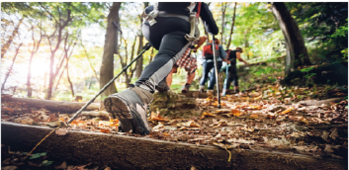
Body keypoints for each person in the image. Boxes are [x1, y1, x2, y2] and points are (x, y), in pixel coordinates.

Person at [103, 2, 219, 135]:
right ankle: (138, 95)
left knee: (163, 55)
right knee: (167, 55)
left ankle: (134, 116)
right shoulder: (199, 4)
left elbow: (149, 9)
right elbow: (213, 30)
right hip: (178, 24)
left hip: (151, 25)